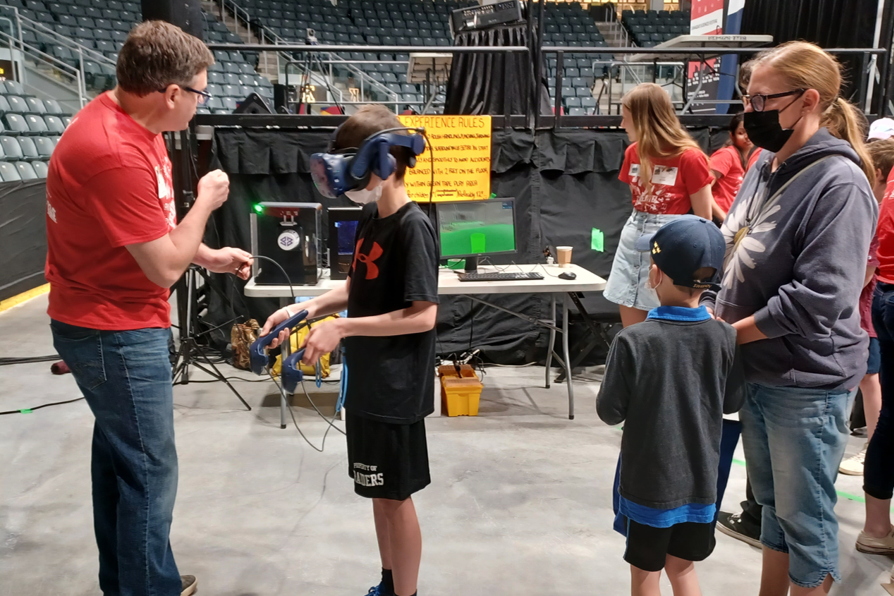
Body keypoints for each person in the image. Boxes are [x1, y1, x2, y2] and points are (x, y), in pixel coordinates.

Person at [45, 21, 252, 596]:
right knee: (148, 468)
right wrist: (207, 204)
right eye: (201, 93)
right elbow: (162, 266)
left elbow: (148, 233)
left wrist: (205, 255)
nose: (200, 104)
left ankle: (139, 577)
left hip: (118, 315)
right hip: (111, 328)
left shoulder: (139, 127)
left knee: (122, 461)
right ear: (171, 93)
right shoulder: (112, 151)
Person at [704, 41, 877, 595]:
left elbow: (820, 297)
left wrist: (729, 333)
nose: (749, 110)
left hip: (805, 380)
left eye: (761, 98)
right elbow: (734, 247)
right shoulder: (763, 163)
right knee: (772, 509)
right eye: (746, 96)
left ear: (807, 101)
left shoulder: (839, 183)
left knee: (805, 523)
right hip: (757, 368)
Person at [260, 105, 439, 596]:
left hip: (396, 387)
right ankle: (389, 583)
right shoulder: (369, 216)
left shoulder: (412, 226)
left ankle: (407, 593)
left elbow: (424, 314)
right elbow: (356, 286)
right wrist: (306, 309)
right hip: (367, 383)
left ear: (381, 162)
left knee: (395, 497)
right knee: (379, 492)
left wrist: (343, 330)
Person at [598, 215, 745, 596]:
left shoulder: (634, 341)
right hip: (701, 484)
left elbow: (609, 410)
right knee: (683, 569)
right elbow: (732, 401)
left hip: (649, 484)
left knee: (645, 572)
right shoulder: (725, 336)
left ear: (654, 274)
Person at [604, 83, 715, 328]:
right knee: (632, 327)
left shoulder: (690, 157)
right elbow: (638, 201)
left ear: (645, 119)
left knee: (666, 327)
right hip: (634, 235)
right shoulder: (633, 152)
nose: (622, 125)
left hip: (670, 239)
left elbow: (703, 220)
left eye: (626, 119)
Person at [840, 138, 894, 479]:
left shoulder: (874, 211)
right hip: (864, 313)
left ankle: (873, 445)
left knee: (870, 380)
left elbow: (866, 272)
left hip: (864, 314)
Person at [709, 113, 754, 219]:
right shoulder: (726, 155)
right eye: (741, 133)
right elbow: (702, 189)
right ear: (732, 135)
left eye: (750, 131)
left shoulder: (747, 158)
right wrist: (723, 218)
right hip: (720, 220)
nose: (747, 137)